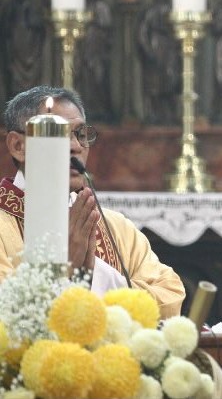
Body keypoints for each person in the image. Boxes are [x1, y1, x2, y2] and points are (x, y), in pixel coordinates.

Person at [1, 85, 185, 318]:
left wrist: (93, 274)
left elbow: (171, 295)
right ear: (18, 146)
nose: (76, 146)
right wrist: (62, 272)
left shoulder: (116, 226)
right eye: (57, 134)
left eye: (80, 134)